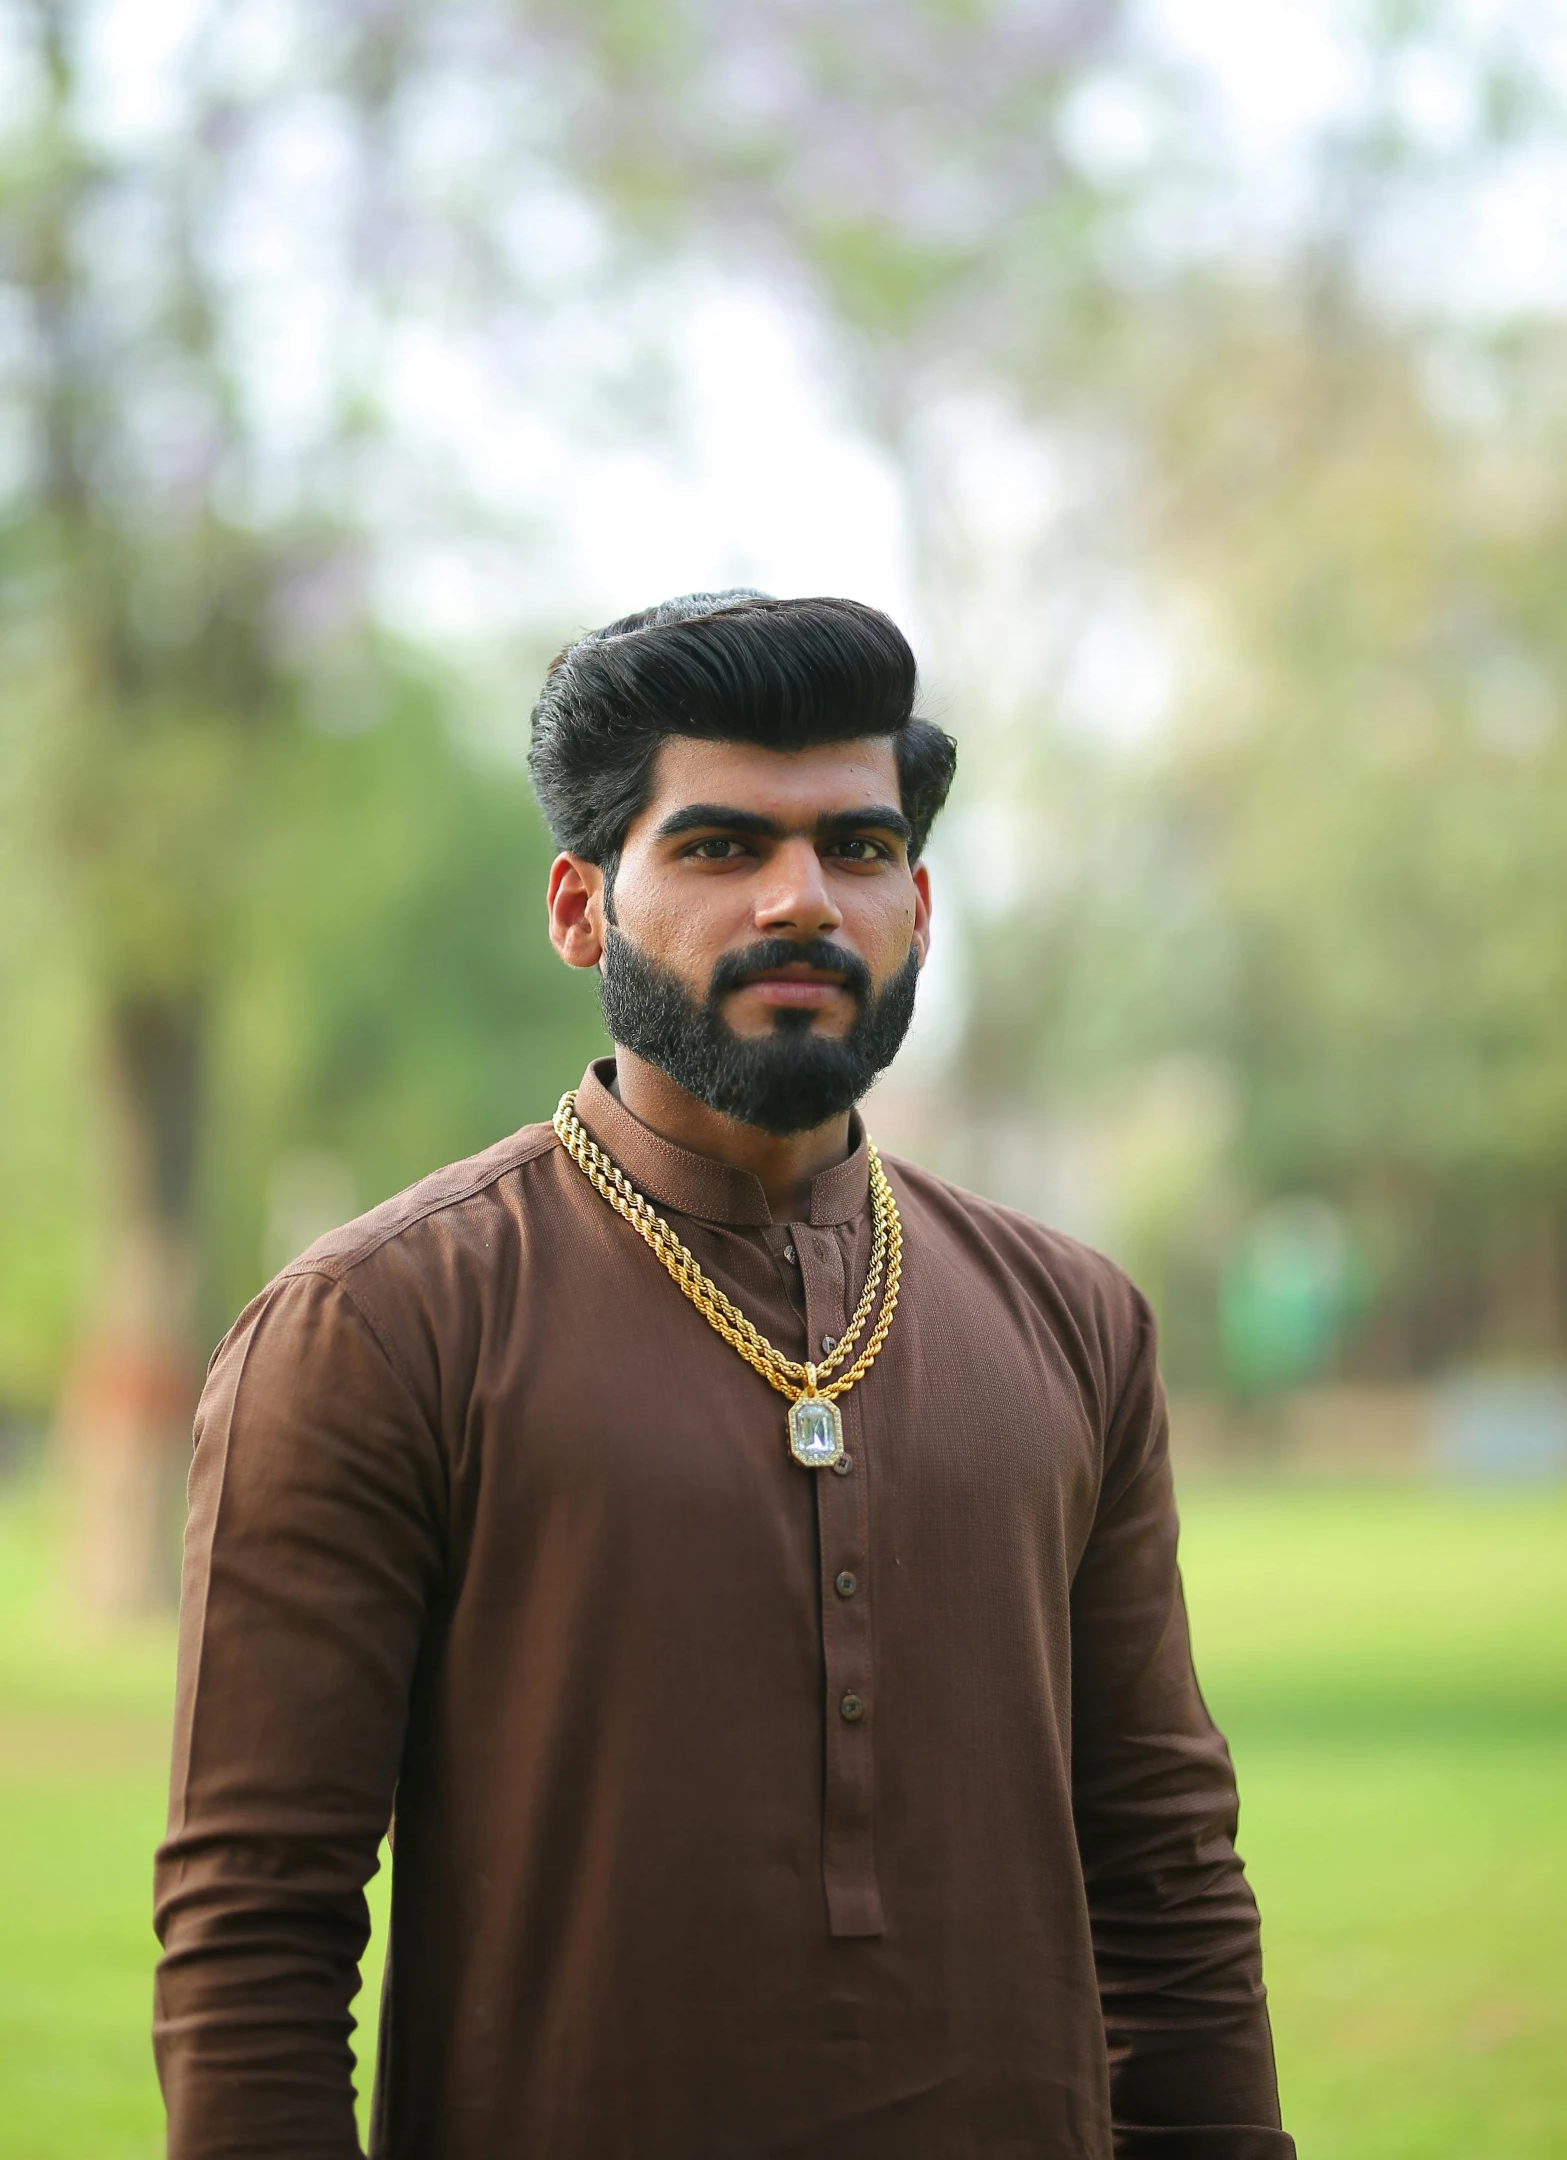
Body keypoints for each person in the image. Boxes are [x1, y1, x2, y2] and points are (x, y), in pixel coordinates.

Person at [153, 593, 1293, 2160]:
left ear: (920, 901)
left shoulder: (1072, 1319)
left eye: (858, 847)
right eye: (717, 848)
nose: (801, 901)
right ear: (578, 907)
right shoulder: (375, 1327)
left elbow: (1164, 1881)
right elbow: (255, 1931)